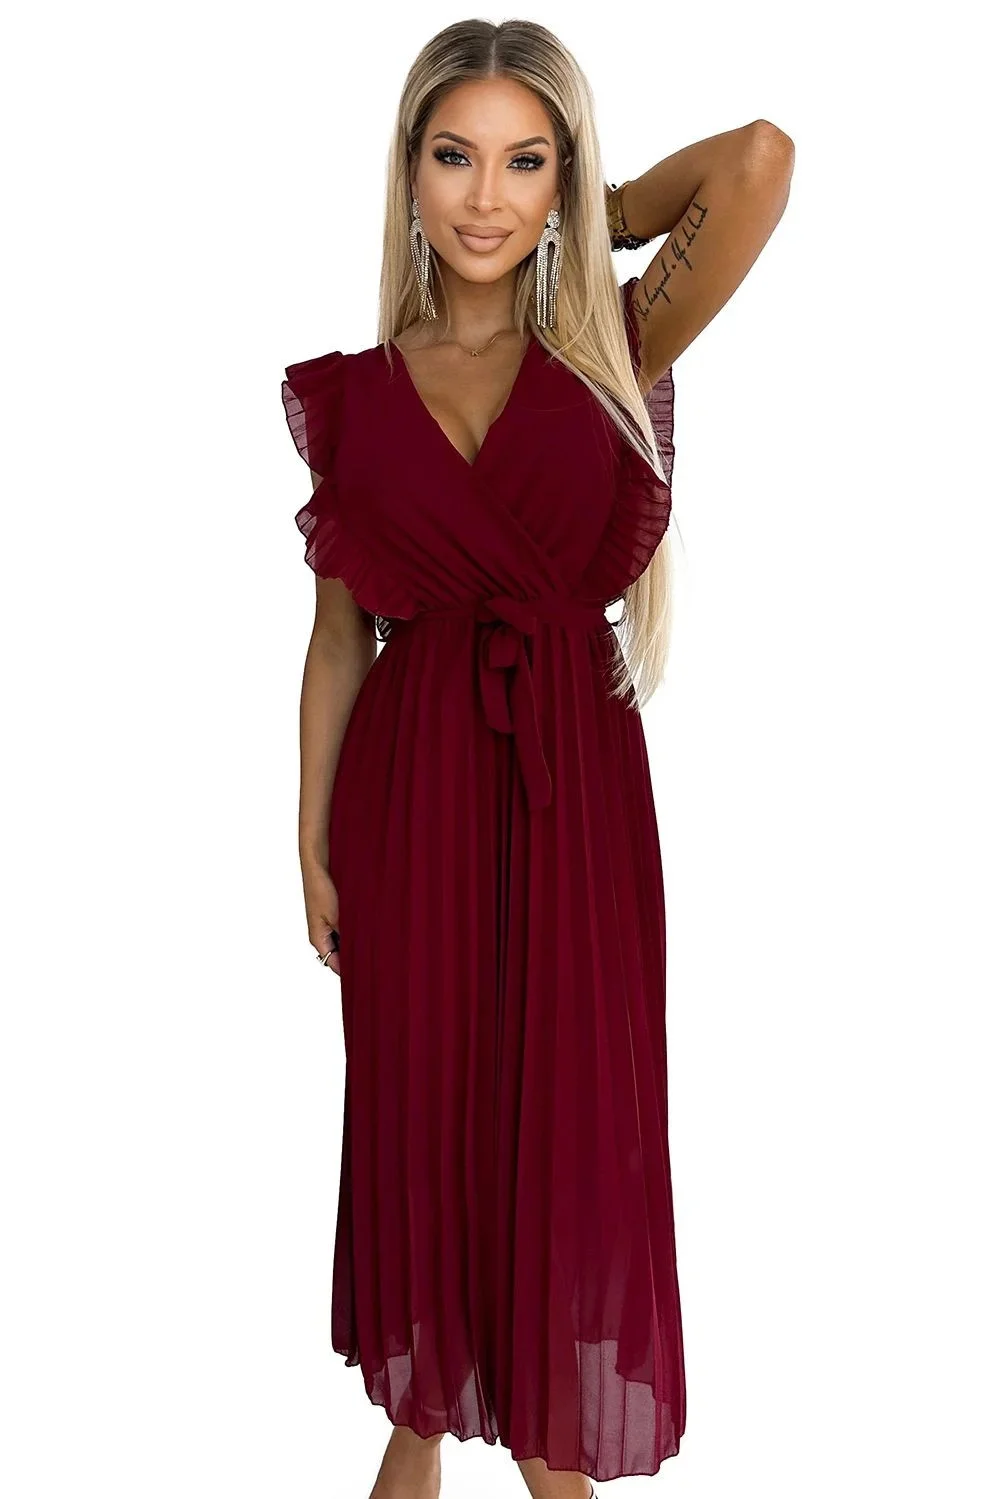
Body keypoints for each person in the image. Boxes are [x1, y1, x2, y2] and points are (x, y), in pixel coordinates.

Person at [280, 19, 793, 1499]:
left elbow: (759, 164)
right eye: (455, 157)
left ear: (564, 175)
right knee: (427, 1141)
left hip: (572, 801)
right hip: (409, 804)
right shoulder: (356, 397)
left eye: (525, 161)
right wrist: (307, 844)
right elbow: (337, 641)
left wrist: (595, 208)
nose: (485, 197)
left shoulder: (614, 347)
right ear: (408, 170)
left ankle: (513, 1450)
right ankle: (422, 1425)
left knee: (564, 1150)